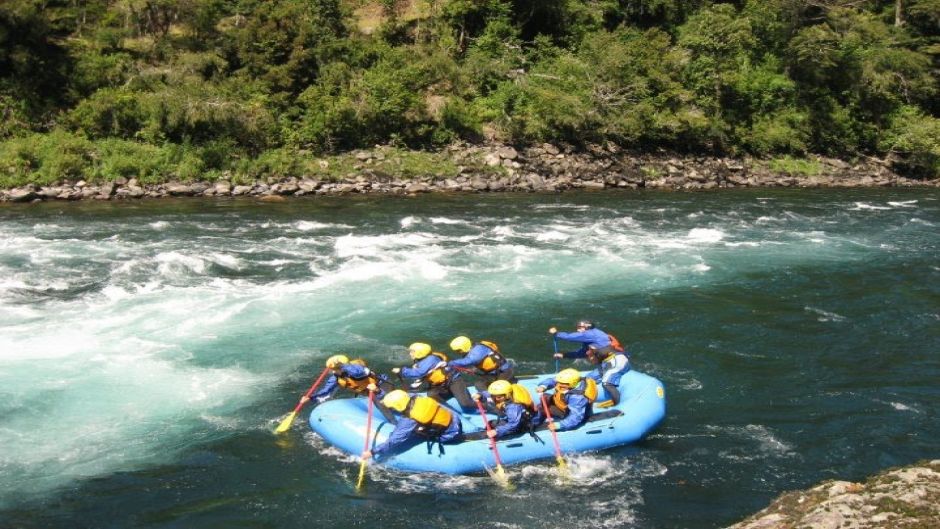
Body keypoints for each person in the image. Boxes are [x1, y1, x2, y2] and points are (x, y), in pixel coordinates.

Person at [361, 390, 463, 461]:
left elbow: (394, 440)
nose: (392, 409)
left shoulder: (409, 420)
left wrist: (372, 452)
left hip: (449, 434)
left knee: (414, 433)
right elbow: (396, 397)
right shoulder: (416, 397)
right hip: (454, 420)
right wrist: (379, 393)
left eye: (392, 407)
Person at [550, 320, 629, 406]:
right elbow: (582, 353)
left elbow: (572, 337)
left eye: (580, 328)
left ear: (587, 327)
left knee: (607, 383)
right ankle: (577, 401)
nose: (578, 330)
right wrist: (564, 355)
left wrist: (557, 334)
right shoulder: (589, 341)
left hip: (616, 360)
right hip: (605, 364)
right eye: (577, 328)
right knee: (587, 380)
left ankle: (617, 404)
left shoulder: (593, 333)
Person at [302, 354, 397, 424]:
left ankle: (398, 422)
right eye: (333, 369)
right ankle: (395, 423)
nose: (333, 371)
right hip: (371, 391)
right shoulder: (336, 377)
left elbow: (358, 372)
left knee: (384, 405)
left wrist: (342, 365)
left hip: (382, 384)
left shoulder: (356, 368)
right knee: (384, 407)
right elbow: (326, 391)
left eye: (335, 369)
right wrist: (310, 398)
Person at [393, 342, 475, 413]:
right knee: (431, 395)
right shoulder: (421, 359)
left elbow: (419, 372)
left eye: (412, 352)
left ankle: (487, 406)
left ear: (420, 353)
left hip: (453, 381)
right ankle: (453, 412)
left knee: (466, 403)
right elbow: (424, 373)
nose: (410, 354)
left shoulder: (431, 359)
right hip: (441, 385)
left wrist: (402, 371)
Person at [473, 380, 539, 440]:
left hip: (520, 424)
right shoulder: (505, 393)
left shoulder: (513, 407)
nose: (494, 399)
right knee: (491, 423)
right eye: (493, 396)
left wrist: (497, 431)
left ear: (507, 395)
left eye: (498, 397)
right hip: (515, 419)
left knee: (497, 430)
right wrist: (480, 395)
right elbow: (489, 394)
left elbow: (513, 424)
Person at [447, 336, 516, 391]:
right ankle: (489, 399)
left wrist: (451, 363)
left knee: (498, 389)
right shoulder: (472, 350)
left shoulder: (479, 349)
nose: (458, 352)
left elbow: (471, 360)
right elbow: (480, 361)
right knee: (479, 384)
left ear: (464, 347)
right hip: (492, 374)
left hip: (504, 372)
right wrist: (474, 370)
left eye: (459, 350)